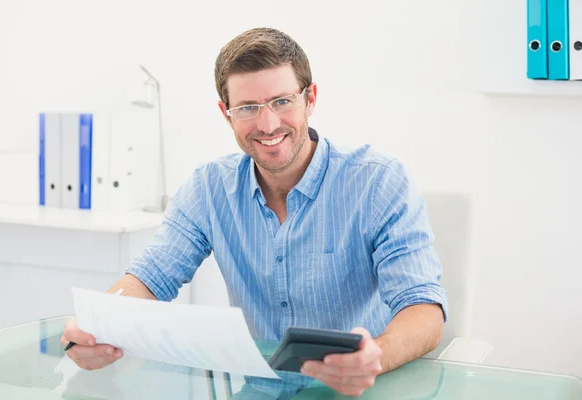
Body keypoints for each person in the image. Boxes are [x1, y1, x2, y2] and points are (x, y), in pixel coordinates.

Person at [61, 27, 448, 397]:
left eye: (282, 101)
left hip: (361, 390)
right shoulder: (209, 188)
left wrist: (375, 356)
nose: (268, 123)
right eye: (248, 107)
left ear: (310, 98)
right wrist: (98, 324)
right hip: (261, 389)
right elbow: (150, 277)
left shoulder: (377, 181)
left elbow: (424, 311)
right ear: (225, 112)